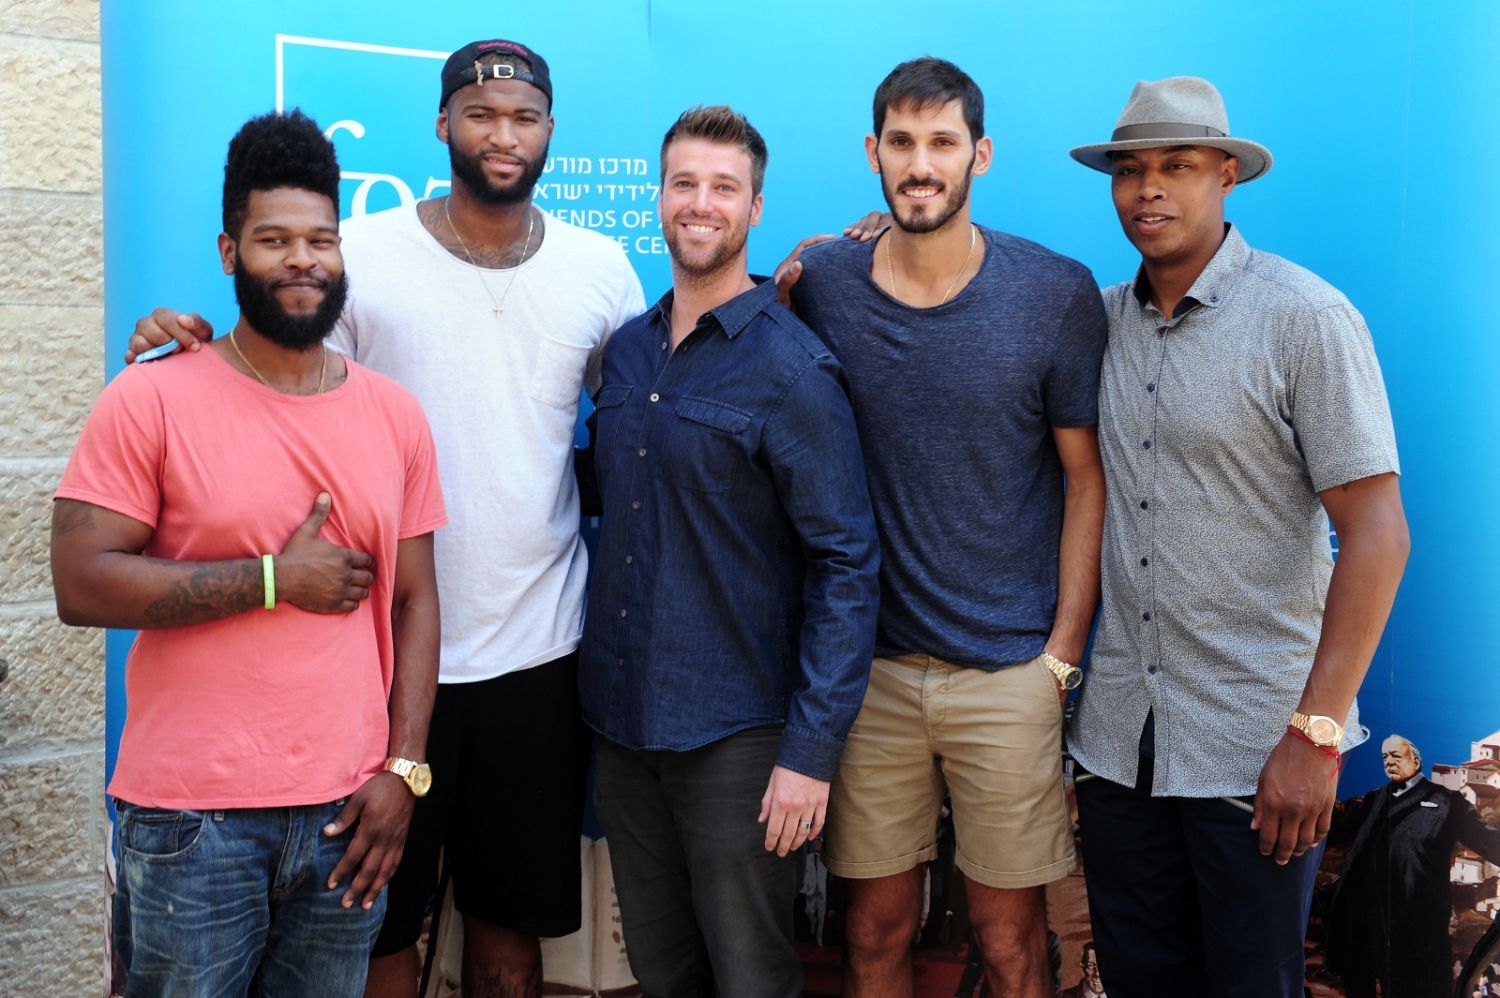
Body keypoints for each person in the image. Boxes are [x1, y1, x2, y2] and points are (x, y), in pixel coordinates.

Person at [125, 39, 645, 997]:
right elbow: (272, 376)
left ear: (551, 134)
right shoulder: (356, 254)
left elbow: (651, 420)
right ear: (443, 124)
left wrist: (809, 277)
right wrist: (181, 332)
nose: (503, 134)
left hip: (539, 652)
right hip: (380, 659)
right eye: (481, 115)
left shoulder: (601, 268)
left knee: (509, 938)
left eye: (525, 117)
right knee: (372, 935)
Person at [52, 110, 445, 996]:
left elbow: (415, 599)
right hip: (194, 820)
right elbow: (81, 582)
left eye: (320, 239)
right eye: (273, 239)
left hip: (348, 813)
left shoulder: (395, 414)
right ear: (230, 252)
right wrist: (276, 578)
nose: (301, 259)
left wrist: (403, 770)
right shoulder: (152, 398)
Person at [1064, 76, 1411, 998]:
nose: (1150, 190)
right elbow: (971, 286)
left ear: (1227, 175)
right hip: (1116, 746)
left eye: (1178, 166)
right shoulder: (1093, 321)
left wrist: (1317, 735)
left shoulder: (1304, 318)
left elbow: (1377, 535)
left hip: (1256, 750)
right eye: (1130, 170)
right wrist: (859, 244)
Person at [785, 57, 1109, 998]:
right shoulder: (826, 281)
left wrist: (1060, 656)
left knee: (1011, 941)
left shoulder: (1053, 293)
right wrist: (809, 259)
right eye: (902, 143)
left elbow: (1085, 482)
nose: (920, 164)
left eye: (942, 143)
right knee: (875, 931)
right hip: (871, 673)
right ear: (872, 154)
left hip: (1010, 674)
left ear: (982, 154)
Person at [578, 105, 880, 997]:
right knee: (665, 974)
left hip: (738, 738)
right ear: (660, 197)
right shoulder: (627, 353)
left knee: (751, 977)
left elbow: (845, 566)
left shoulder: (793, 370)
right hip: (623, 726)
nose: (700, 204)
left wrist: (810, 752)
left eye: (723, 188)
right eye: (684, 184)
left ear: (753, 208)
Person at [1325, 735, 1500, 998]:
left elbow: (1487, 839)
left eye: (1396, 756)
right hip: (1361, 924)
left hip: (1414, 928)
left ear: (1415, 760)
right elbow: (1333, 829)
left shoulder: (1448, 802)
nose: (1389, 762)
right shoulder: (1374, 799)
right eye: (1385, 757)